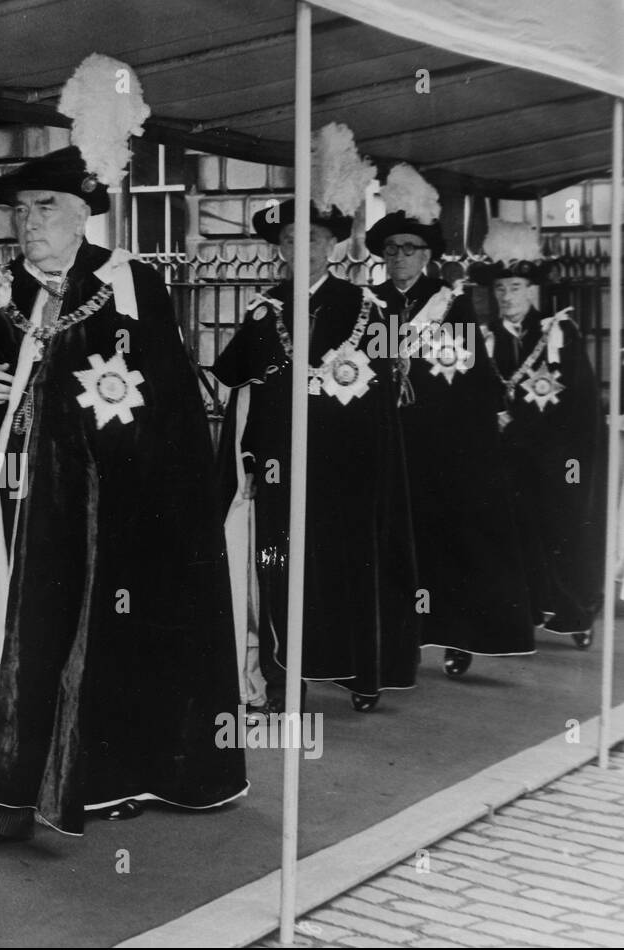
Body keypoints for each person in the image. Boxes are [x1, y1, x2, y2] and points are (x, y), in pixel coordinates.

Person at [0, 146, 247, 852]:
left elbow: (173, 405)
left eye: (46, 208)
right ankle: (4, 794)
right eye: (21, 211)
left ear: (83, 213)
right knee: (8, 641)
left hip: (109, 512)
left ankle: (108, 778)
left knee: (101, 644)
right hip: (8, 507)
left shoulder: (131, 286)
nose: (29, 223)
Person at [211, 198, 419, 713]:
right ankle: (285, 680)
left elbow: (393, 389)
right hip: (280, 466)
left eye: (310, 240)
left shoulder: (375, 306)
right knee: (277, 567)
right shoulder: (265, 309)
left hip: (350, 466)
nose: (297, 250)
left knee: (352, 566)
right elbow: (236, 381)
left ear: (332, 246)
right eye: (287, 241)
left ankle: (363, 675)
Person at [366, 166, 534, 677]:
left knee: (446, 544)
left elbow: (464, 375)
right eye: (391, 249)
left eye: (409, 249)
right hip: (386, 441)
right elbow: (372, 367)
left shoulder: (450, 304)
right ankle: (400, 637)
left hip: (439, 445)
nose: (399, 258)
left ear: (427, 255)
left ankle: (456, 634)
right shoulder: (369, 304)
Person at [470, 220, 607, 647]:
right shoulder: (487, 339)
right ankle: (524, 611)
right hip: (508, 458)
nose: (506, 297)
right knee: (515, 535)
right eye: (500, 290)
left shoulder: (557, 333)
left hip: (557, 456)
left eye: (514, 288)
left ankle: (575, 613)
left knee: (565, 531)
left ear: (531, 291)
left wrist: (567, 461)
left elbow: (580, 403)